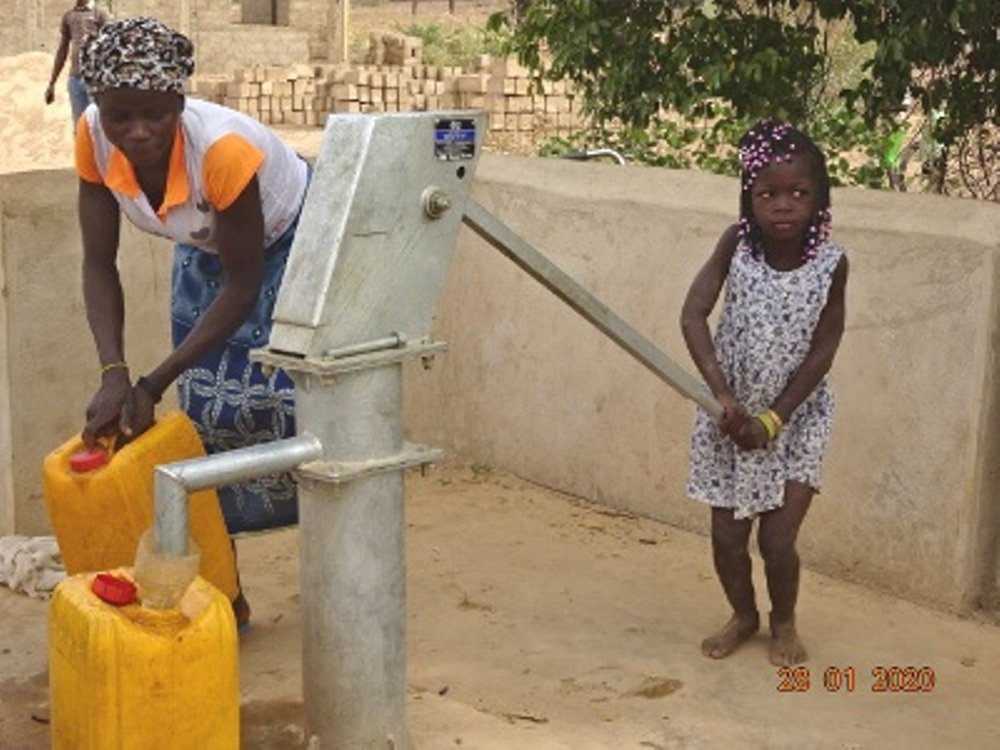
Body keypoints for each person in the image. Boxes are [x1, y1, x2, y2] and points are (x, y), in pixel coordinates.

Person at [74, 17, 311, 629]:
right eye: (119, 115)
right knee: (202, 422)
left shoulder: (224, 151)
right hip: (206, 244)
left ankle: (335, 582)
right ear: (97, 105)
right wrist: (114, 373)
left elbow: (244, 286)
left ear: (180, 101)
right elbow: (99, 264)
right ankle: (225, 604)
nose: (138, 132)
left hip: (289, 243)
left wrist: (150, 383)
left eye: (155, 113)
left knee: (287, 413)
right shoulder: (94, 139)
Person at [680, 118, 849, 667]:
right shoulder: (735, 245)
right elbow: (693, 315)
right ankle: (744, 615)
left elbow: (823, 351)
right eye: (767, 194)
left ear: (819, 198)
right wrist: (724, 398)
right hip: (729, 419)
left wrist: (772, 420)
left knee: (776, 542)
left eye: (799, 193)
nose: (783, 205)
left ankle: (783, 622)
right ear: (748, 198)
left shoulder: (831, 264)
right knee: (728, 542)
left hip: (795, 422)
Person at [44, 0, 110, 123]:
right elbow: (62, 49)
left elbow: (110, 47)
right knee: (80, 125)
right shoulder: (69, 16)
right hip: (75, 78)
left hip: (95, 79)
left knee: (98, 124)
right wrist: (52, 83)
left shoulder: (99, 14)